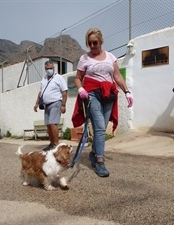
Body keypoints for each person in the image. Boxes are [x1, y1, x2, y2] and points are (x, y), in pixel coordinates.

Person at [72, 28, 133, 177]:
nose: (92, 46)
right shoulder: (84, 59)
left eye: (95, 42)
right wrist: (81, 90)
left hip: (108, 95)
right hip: (92, 94)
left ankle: (93, 152)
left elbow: (117, 76)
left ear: (101, 41)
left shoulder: (111, 57)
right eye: (89, 43)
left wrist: (127, 91)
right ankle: (100, 162)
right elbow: (78, 77)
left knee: (102, 128)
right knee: (99, 128)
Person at [34, 60, 68, 151]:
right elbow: (40, 92)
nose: (49, 70)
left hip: (56, 102)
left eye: (50, 68)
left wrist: (63, 105)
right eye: (47, 68)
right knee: (48, 125)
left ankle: (56, 145)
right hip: (47, 105)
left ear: (54, 68)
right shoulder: (44, 79)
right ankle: (52, 143)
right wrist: (36, 103)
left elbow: (64, 91)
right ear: (45, 69)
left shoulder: (58, 78)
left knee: (53, 123)